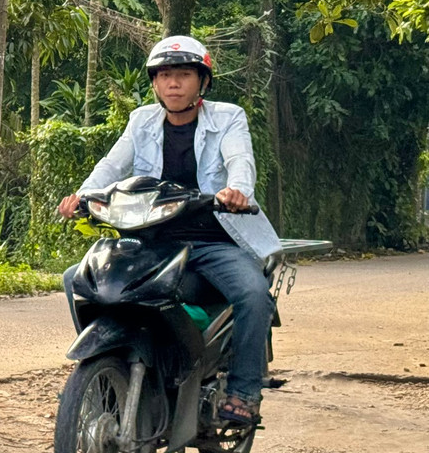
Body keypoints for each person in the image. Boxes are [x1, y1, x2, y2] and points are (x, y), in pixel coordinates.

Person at [57, 35, 283, 425]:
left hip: (210, 238)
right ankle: (110, 370)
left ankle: (244, 392)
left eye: (183, 75)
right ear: (155, 83)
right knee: (76, 279)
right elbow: (113, 165)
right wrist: (84, 196)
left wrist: (237, 191)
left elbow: (239, 160)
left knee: (253, 293)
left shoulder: (228, 117)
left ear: (203, 82)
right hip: (151, 240)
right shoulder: (142, 120)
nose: (173, 83)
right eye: (164, 76)